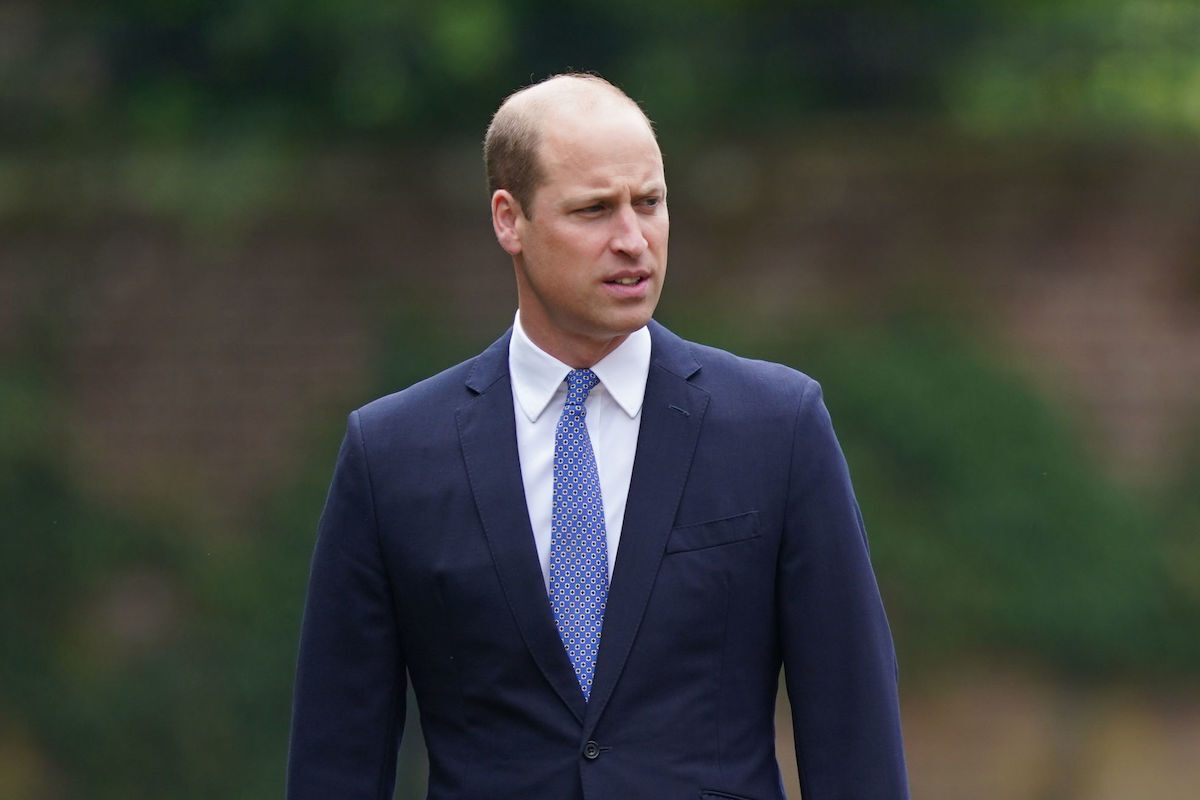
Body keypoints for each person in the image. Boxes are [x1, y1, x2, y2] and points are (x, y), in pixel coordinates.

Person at [287, 73, 909, 800]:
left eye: (650, 203)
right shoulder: (390, 455)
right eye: (594, 210)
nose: (632, 239)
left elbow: (853, 731)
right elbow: (338, 757)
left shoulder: (778, 427)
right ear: (508, 220)